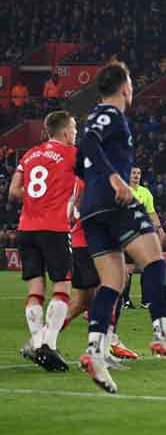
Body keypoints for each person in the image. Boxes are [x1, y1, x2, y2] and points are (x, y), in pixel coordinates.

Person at [76, 62, 166, 394]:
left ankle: (96, 353)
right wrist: (113, 179)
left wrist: (95, 185)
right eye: (130, 81)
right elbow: (87, 142)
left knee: (114, 281)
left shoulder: (102, 117)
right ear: (125, 86)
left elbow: (78, 162)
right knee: (155, 258)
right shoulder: (108, 114)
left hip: (91, 209)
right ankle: (162, 335)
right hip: (114, 202)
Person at [8, 110, 78, 372]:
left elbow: (14, 191)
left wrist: (37, 196)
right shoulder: (71, 154)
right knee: (62, 286)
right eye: (74, 129)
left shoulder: (29, 155)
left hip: (26, 228)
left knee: (35, 289)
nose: (76, 133)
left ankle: (38, 344)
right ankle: (47, 343)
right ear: (64, 132)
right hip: (54, 227)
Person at [65, 177, 138, 364]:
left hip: (81, 241)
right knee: (109, 292)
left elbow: (72, 210)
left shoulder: (85, 177)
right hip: (94, 244)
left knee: (80, 302)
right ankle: (97, 352)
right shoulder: (104, 178)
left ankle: (42, 340)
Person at [121, 167, 165, 309]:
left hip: (142, 235)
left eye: (139, 173)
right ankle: (125, 300)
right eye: (133, 173)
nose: (136, 175)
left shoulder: (145, 193)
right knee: (128, 269)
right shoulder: (124, 190)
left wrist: (159, 228)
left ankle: (146, 300)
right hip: (127, 234)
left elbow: (151, 213)